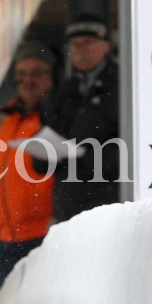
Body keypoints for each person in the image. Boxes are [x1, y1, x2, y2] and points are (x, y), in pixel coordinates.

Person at [0, 43, 57, 291]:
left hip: (42, 234)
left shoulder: (55, 116)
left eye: (36, 73)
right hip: (5, 235)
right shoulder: (9, 118)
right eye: (21, 75)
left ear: (52, 76)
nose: (27, 81)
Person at [41, 13, 120, 222]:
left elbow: (131, 146)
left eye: (88, 43)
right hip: (68, 208)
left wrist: (85, 157)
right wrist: (41, 154)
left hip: (110, 206)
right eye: (75, 45)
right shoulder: (64, 91)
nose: (81, 50)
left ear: (106, 46)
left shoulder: (124, 86)